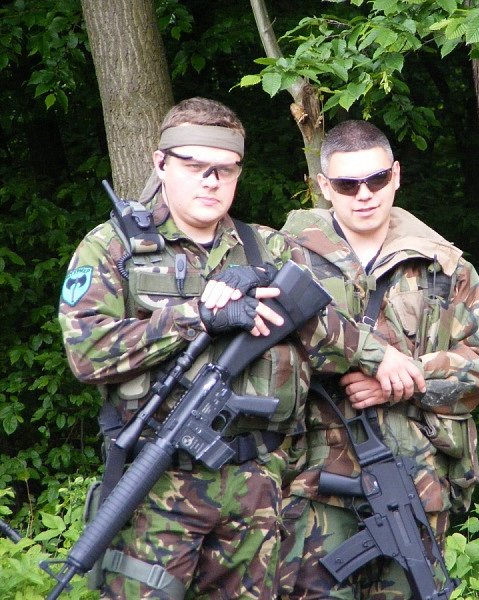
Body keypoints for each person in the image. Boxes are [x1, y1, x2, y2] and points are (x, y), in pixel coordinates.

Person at [58, 98, 424, 599]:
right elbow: (87, 352)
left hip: (256, 485)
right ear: (161, 163)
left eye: (225, 170)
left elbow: (322, 328)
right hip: (157, 482)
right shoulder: (114, 248)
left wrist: (382, 357)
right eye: (196, 166)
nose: (211, 181)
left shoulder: (267, 248)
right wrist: (197, 318)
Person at [276, 120, 479, 599]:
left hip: (414, 480)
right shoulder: (285, 260)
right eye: (347, 184)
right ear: (324, 186)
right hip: (312, 479)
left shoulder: (445, 266)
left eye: (377, 179)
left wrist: (406, 378)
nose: (365, 195)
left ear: (396, 175)